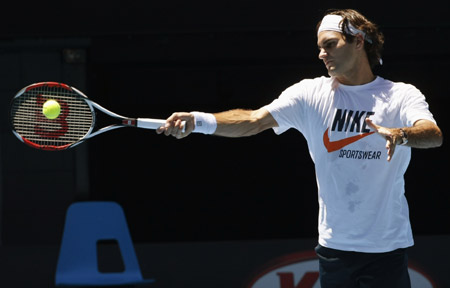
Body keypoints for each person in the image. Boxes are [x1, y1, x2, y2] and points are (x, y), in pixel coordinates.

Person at [157, 8, 443, 288]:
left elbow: (433, 135)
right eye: (319, 47)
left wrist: (401, 134)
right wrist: (199, 121)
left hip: (387, 248)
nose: (321, 54)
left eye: (330, 45)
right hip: (334, 248)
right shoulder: (309, 94)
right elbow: (254, 120)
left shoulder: (401, 94)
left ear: (358, 41)